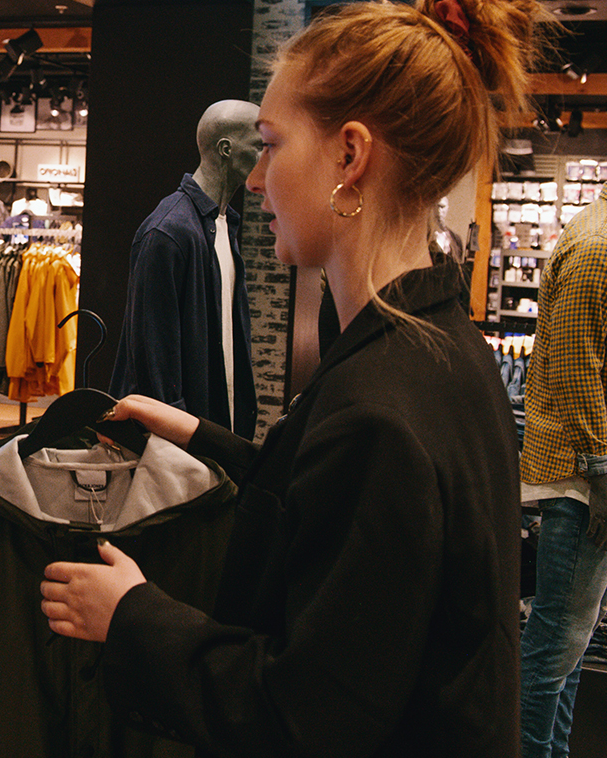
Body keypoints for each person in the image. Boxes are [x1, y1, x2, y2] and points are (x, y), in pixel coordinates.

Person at [41, 2, 547, 755]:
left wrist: (133, 616)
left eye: (273, 148)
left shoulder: (379, 408)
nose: (257, 182)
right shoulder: (439, 347)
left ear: (349, 157)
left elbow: (302, 715)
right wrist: (201, 436)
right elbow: (353, 529)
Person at [108, 99, 262, 439]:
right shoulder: (168, 232)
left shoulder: (222, 224)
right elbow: (152, 356)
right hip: (178, 445)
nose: (266, 157)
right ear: (226, 149)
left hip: (215, 425)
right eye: (259, 146)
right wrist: (180, 442)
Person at [519, 184, 607, 758]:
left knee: (567, 652)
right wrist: (603, 472)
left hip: (582, 477)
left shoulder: (595, 231)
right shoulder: (599, 245)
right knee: (553, 652)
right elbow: (578, 370)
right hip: (578, 482)